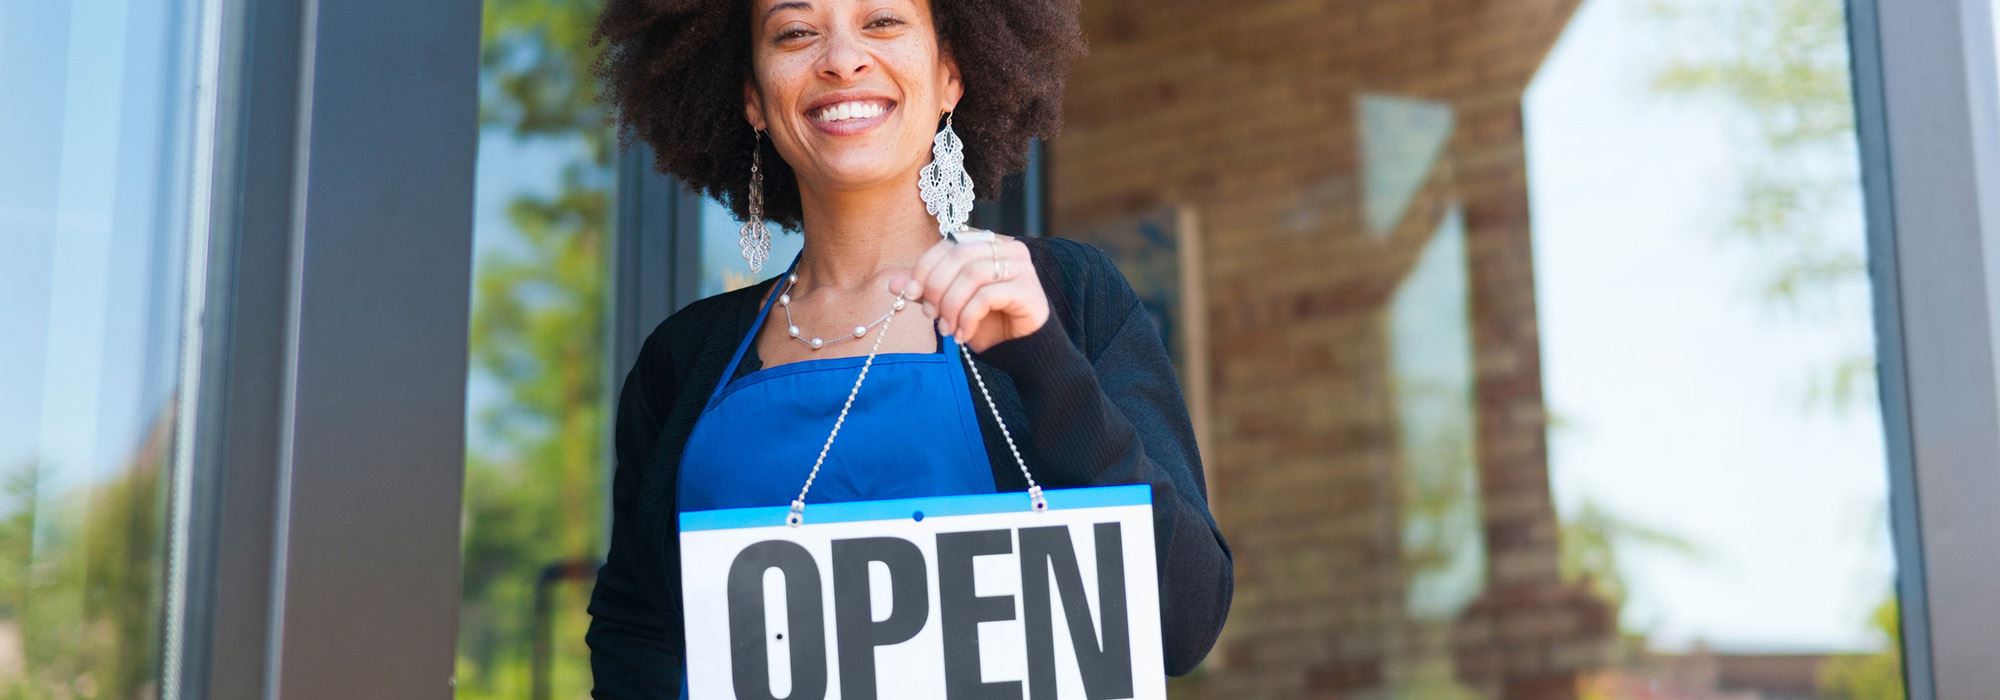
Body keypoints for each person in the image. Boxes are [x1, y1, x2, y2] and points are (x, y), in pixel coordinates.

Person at [586, 0, 1232, 695]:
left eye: (883, 22)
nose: (841, 58)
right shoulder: (684, 359)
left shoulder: (1065, 298)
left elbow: (1184, 619)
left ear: (952, 72)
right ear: (753, 98)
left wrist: (1044, 359)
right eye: (796, 32)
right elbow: (638, 629)